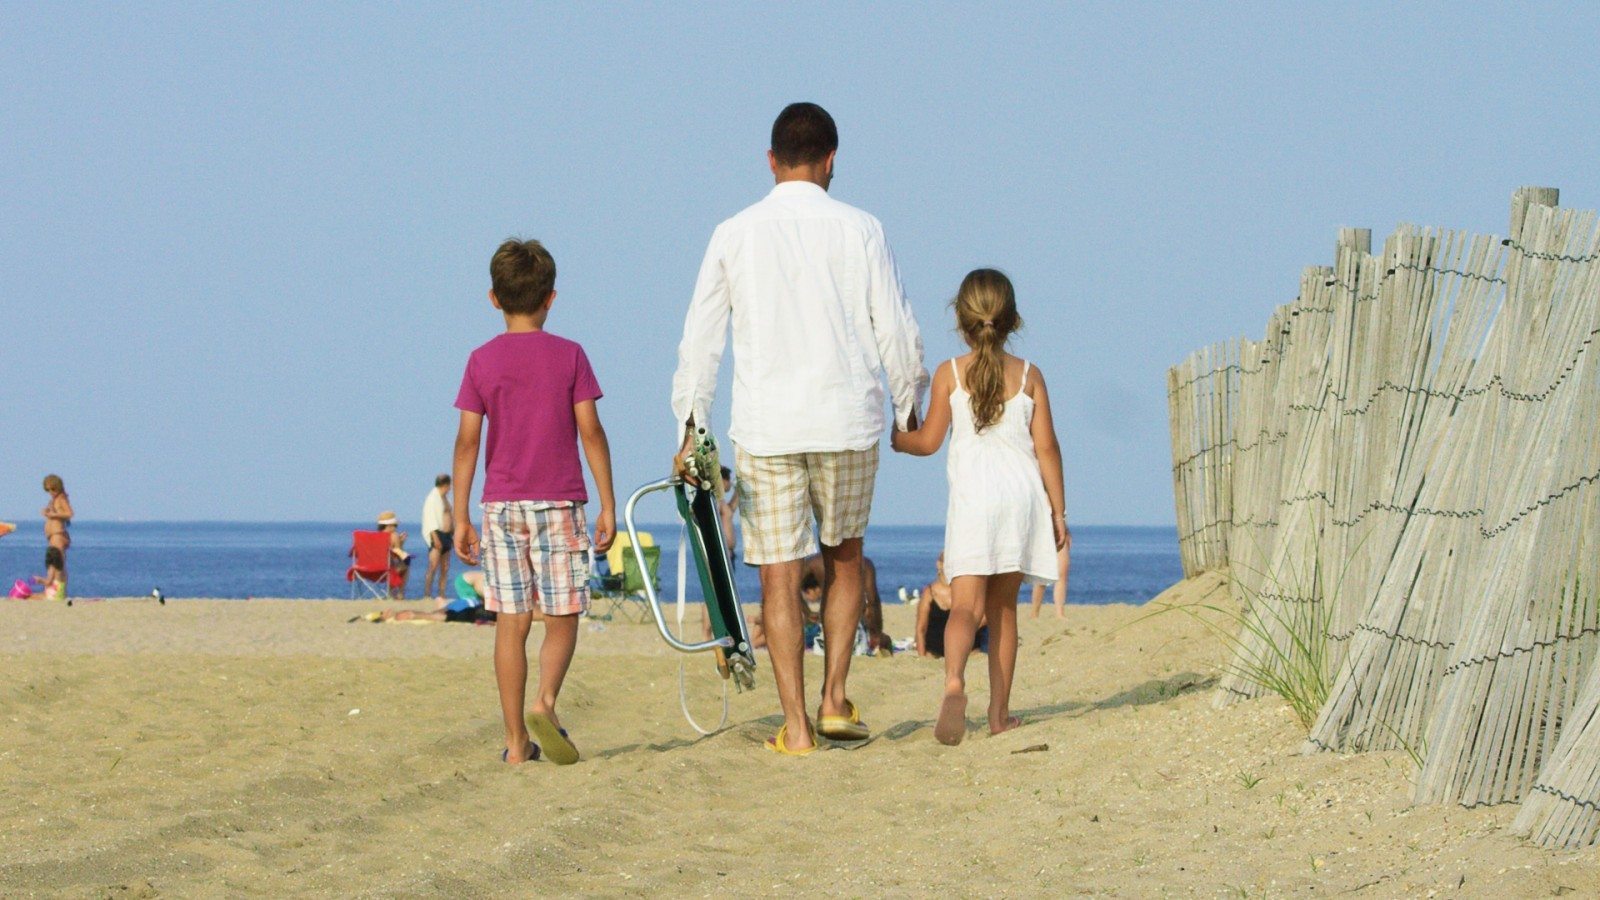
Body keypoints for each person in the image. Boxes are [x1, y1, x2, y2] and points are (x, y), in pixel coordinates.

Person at [672, 102, 928, 755]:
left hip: (766, 424)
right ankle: (835, 696)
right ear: (831, 158)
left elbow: (701, 341)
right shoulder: (863, 229)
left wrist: (691, 423)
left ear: (770, 160)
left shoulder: (734, 231)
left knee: (779, 574)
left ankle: (797, 727)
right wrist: (908, 403)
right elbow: (895, 326)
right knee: (846, 556)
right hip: (848, 417)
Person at [453, 238, 616, 766]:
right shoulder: (569, 354)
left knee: (511, 621)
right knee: (563, 614)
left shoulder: (481, 360)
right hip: (560, 502)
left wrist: (459, 514)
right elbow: (590, 430)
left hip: (501, 505)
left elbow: (468, 441)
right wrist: (608, 503)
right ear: (551, 297)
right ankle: (545, 701)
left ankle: (517, 742)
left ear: (493, 299)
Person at [891, 268, 1068, 745]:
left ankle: (953, 682)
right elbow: (1047, 449)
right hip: (1021, 499)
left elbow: (928, 443)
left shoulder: (950, 373)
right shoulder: (1030, 376)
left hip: (974, 502)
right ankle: (998, 714)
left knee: (965, 608)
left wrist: (896, 437)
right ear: (1012, 320)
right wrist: (1058, 512)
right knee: (1004, 610)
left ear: (961, 319)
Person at [915, 553, 989, 658]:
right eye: (948, 563)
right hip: (935, 652)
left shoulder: (966, 590)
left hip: (968, 651)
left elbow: (985, 616)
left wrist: (966, 632)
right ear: (939, 564)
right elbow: (921, 628)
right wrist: (921, 656)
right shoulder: (929, 592)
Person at [359, 571, 504, 624]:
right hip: (471, 607)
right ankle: (404, 614)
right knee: (438, 616)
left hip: (471, 607)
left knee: (439, 614)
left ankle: (397, 614)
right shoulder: (480, 605)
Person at [422, 474, 453, 601]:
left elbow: (450, 515)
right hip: (437, 534)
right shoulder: (432, 498)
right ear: (445, 485)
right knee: (433, 565)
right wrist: (435, 537)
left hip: (447, 534)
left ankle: (441, 593)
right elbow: (429, 518)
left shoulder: (445, 499)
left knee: (445, 567)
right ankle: (427, 593)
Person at [41, 475, 73, 601]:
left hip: (58, 535)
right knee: (53, 562)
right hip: (53, 535)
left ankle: (58, 592)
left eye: (53, 489)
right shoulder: (54, 500)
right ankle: (54, 590)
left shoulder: (61, 499)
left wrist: (52, 515)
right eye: (48, 490)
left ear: (58, 487)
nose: (50, 493)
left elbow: (69, 513)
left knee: (57, 562)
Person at [1029, 541, 1072, 618]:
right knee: (1041, 575)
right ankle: (1034, 613)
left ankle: (1060, 613)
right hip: (1042, 534)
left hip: (1059, 534)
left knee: (1062, 573)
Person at [375, 511, 412, 599]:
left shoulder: (375, 536)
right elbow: (398, 553)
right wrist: (401, 542)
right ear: (389, 525)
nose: (396, 528)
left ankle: (390, 593)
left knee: (395, 567)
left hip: (372, 568)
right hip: (387, 568)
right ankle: (400, 593)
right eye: (395, 525)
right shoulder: (394, 535)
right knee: (405, 566)